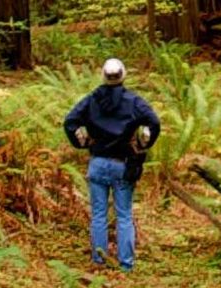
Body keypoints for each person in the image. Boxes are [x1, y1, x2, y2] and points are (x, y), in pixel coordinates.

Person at [60, 57, 160, 270]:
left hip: (97, 162)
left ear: (103, 76)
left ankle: (99, 260)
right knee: (124, 215)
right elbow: (154, 122)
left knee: (98, 214)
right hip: (122, 164)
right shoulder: (133, 101)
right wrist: (144, 144)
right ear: (123, 75)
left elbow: (70, 121)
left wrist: (82, 142)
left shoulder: (91, 100)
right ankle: (126, 264)